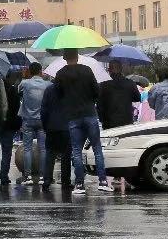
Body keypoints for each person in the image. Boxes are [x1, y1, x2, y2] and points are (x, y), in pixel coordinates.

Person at [54, 50, 108, 194]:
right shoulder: (87, 70)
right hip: (90, 114)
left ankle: (79, 185)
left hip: (72, 116)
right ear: (77, 56)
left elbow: (57, 95)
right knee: (97, 148)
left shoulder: (60, 74)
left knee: (76, 151)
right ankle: (103, 181)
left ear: (64, 58)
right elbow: (97, 91)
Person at [39, 74, 73, 194]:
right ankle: (65, 181)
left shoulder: (49, 90)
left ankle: (47, 181)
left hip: (51, 127)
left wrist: (45, 125)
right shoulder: (69, 91)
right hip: (66, 128)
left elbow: (43, 110)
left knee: (50, 154)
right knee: (66, 156)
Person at [18, 63, 49, 189]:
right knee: (43, 148)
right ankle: (42, 176)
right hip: (42, 119)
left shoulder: (24, 83)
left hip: (28, 119)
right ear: (41, 71)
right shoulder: (47, 84)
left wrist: (24, 77)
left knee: (27, 148)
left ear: (30, 71)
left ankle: (28, 176)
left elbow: (17, 90)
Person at [0, 68, 23, 187]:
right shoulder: (12, 90)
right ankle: (3, 175)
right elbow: (17, 109)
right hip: (9, 126)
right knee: (6, 151)